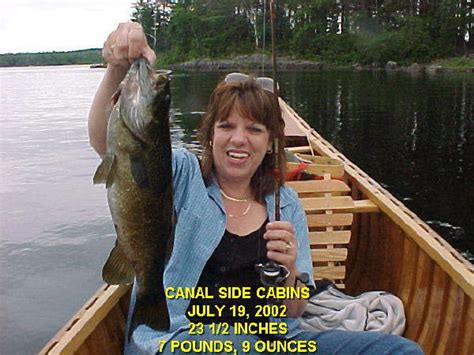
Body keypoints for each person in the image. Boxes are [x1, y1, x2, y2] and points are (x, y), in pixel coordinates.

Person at [88, 22, 424, 355]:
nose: (239, 139)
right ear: (210, 134)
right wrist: (117, 67)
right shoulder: (182, 174)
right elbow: (108, 143)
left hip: (281, 342)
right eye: (227, 126)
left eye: (254, 129)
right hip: (184, 339)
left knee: (401, 352)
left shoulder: (286, 204)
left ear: (269, 142)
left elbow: (294, 310)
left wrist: (292, 270)